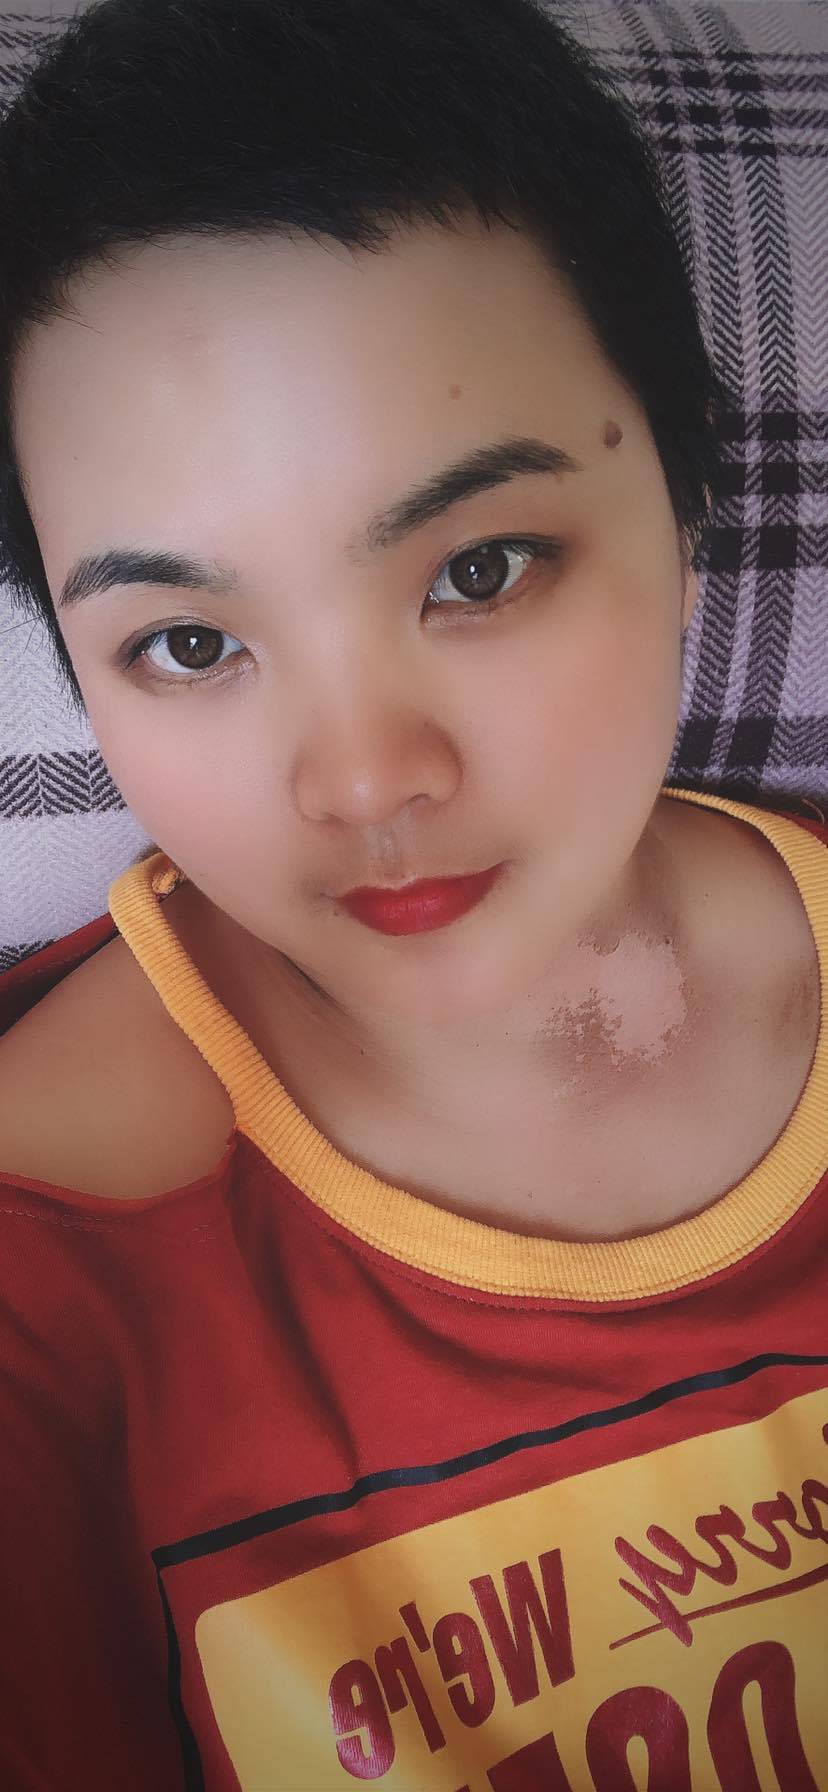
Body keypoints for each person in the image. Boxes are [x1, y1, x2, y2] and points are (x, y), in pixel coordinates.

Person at [0, 0, 825, 1785]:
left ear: (686, 507)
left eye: (484, 566)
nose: (366, 782)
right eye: (189, 643)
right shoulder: (48, 1274)